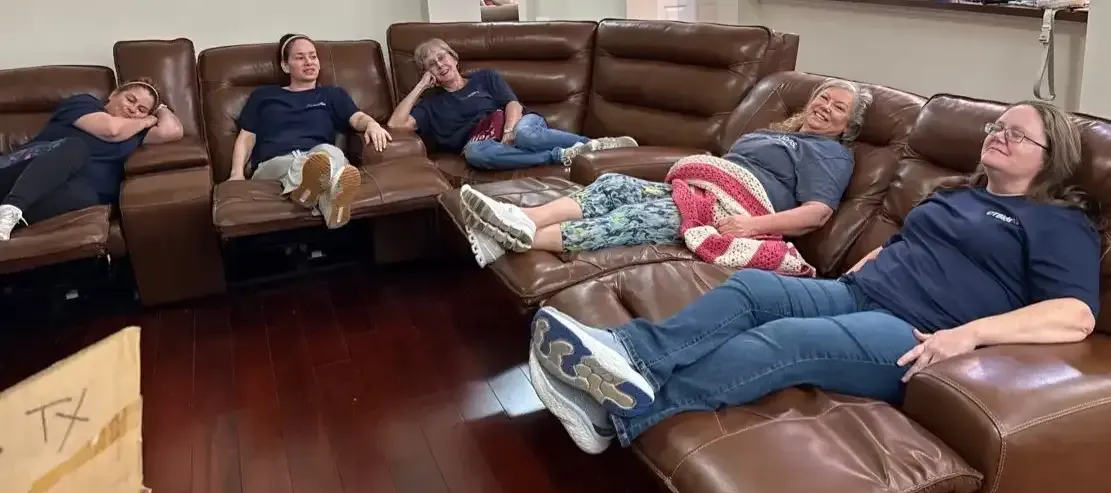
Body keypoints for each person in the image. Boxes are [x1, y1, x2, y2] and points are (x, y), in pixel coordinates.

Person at [525, 100, 1102, 455]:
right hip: (858, 292)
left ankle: (619, 412)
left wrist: (970, 336)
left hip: (915, 333)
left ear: (1051, 156)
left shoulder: (1056, 221)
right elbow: (913, 245)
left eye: (1017, 134)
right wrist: (871, 262)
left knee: (785, 340)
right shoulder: (957, 193)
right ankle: (624, 353)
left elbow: (1075, 315)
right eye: (997, 126)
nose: (998, 135)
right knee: (750, 288)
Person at [458, 78, 870, 269]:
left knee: (636, 218)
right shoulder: (777, 134)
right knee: (613, 184)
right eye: (823, 98)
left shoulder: (830, 154)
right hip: (703, 191)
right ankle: (523, 219)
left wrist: (752, 225)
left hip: (736, 211)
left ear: (847, 127)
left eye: (838, 108)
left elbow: (817, 213)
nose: (825, 107)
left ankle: (515, 239)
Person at [386, 38, 637, 173]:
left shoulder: (485, 78)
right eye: (431, 64)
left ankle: (596, 145)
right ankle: (561, 155)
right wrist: (421, 86)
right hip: (484, 144)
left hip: (519, 123)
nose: (440, 65)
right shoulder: (431, 103)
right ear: (427, 73)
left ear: (454, 57)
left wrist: (509, 131)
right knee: (475, 154)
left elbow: (512, 104)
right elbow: (396, 125)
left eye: (442, 57)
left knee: (524, 135)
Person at [227, 33, 393, 230]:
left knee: (331, 153)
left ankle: (309, 194)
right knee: (310, 164)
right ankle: (326, 199)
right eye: (300, 57)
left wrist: (372, 124)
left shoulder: (332, 94)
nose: (309, 62)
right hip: (275, 162)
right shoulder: (264, 96)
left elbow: (357, 118)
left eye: (313, 56)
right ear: (285, 66)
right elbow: (247, 137)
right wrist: (236, 173)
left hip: (320, 158)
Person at [0, 79, 184, 242]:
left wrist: (161, 109)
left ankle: (6, 221)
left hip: (65, 193)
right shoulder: (84, 104)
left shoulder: (136, 135)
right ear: (113, 94)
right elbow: (111, 130)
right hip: (17, 174)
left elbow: (173, 131)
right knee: (75, 147)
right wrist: (146, 120)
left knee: (84, 195)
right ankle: (12, 207)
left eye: (141, 110)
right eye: (130, 99)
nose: (132, 109)